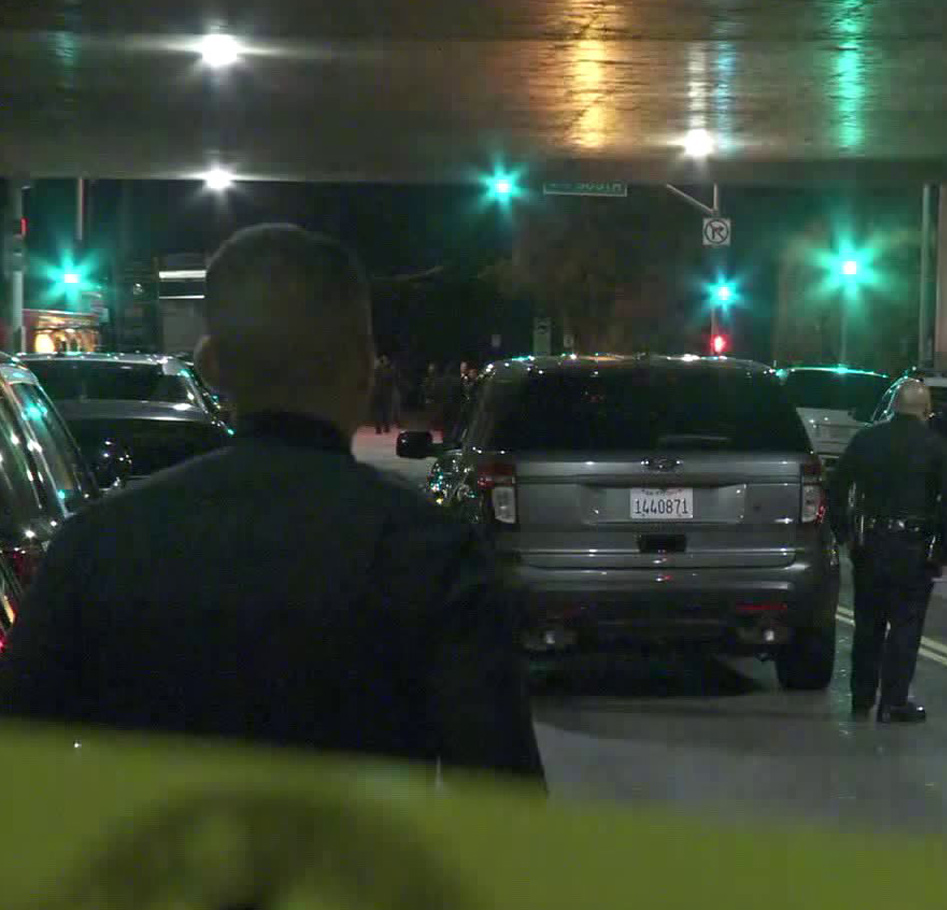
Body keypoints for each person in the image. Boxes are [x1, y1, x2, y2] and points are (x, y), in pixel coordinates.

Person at [0, 223, 545, 783]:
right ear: (364, 365)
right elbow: (503, 802)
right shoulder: (434, 556)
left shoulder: (96, 548)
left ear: (212, 367)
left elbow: (16, 775)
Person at [827, 380, 947, 723]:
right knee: (905, 624)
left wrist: (844, 531)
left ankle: (861, 697)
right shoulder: (938, 449)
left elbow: (836, 486)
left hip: (870, 543)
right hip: (913, 547)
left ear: (893, 407)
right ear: (925, 411)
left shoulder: (866, 441)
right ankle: (893, 701)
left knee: (868, 624)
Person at [369, 354, 397, 434]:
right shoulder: (390, 370)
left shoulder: (376, 370)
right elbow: (393, 382)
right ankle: (386, 428)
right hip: (386, 394)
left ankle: (378, 429)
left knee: (378, 411)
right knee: (386, 411)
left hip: (377, 392)